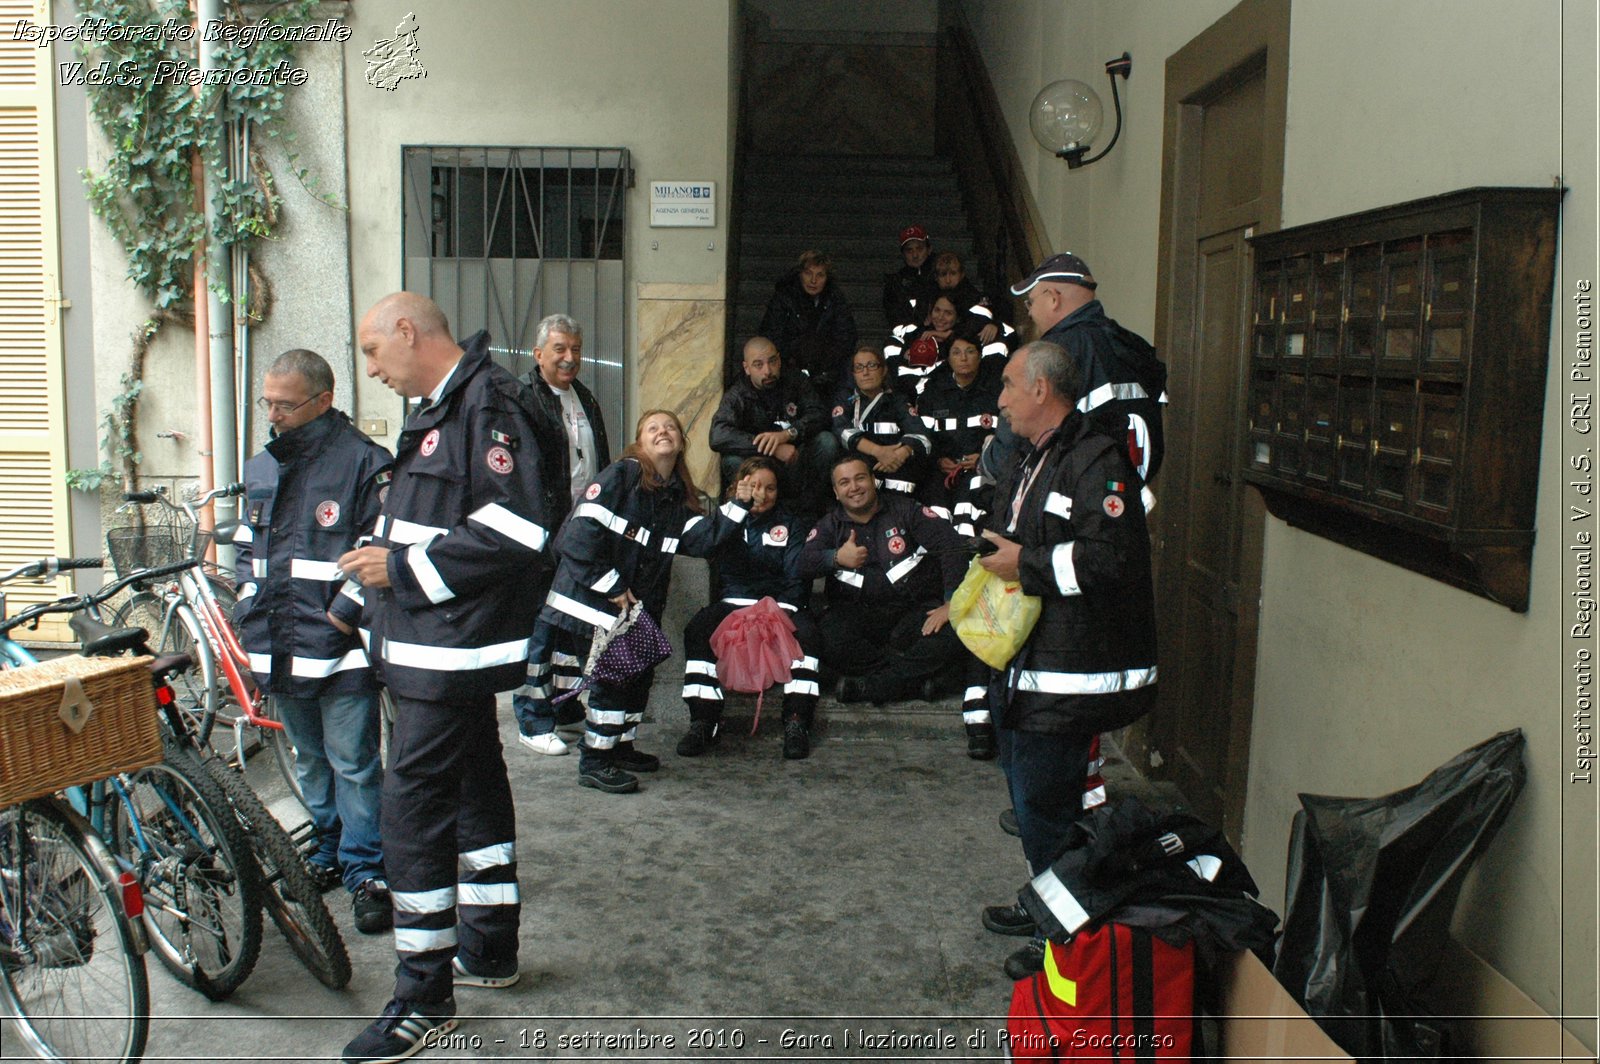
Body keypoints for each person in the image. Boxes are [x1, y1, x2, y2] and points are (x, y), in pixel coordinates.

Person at [337, 293, 550, 1064]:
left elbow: (518, 529)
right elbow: (417, 519)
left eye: (371, 350)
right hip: (431, 647)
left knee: (411, 811)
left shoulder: (488, 407)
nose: (370, 368)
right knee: (473, 788)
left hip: (447, 652)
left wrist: (397, 572)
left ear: (407, 331)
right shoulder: (442, 407)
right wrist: (359, 593)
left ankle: (422, 995)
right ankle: (489, 949)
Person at [974, 340, 1158, 981]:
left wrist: (1021, 563)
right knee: (1032, 806)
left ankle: (1067, 943)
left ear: (1041, 390)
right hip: (1028, 667)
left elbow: (1113, 561)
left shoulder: (1096, 460)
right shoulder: (1034, 457)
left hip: (1068, 676)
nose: (998, 399)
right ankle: (1046, 903)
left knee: (1049, 810)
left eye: (1006, 385)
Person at [234, 349, 393, 934]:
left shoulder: (366, 463)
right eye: (267, 402)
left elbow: (384, 542)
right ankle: (329, 845)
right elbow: (250, 547)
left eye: (285, 404)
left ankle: (368, 871)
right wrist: (246, 607)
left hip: (339, 646)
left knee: (353, 761)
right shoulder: (262, 466)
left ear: (323, 400)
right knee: (308, 758)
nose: (272, 414)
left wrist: (345, 613)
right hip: (276, 640)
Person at [541, 409, 748, 793]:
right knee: (615, 679)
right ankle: (595, 760)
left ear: (682, 442)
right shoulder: (623, 474)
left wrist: (740, 504)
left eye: (670, 426)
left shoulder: (674, 498)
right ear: (639, 441)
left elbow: (702, 540)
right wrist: (612, 584)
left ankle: (620, 747)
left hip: (628, 610)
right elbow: (576, 536)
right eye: (653, 427)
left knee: (638, 677)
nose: (663, 431)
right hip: (593, 600)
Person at [798, 454, 992, 760]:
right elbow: (801, 563)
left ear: (873, 480)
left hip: (913, 614)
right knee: (828, 638)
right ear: (836, 492)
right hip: (858, 616)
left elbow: (952, 547)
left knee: (956, 631)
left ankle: (876, 685)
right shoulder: (829, 524)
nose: (854, 487)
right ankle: (914, 682)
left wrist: (951, 602)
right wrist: (834, 558)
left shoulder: (907, 510)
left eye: (860, 478)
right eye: (844, 483)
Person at [513, 313, 613, 756]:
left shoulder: (584, 396)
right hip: (541, 536)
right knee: (541, 627)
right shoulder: (523, 398)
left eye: (575, 348)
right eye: (559, 349)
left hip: (580, 532)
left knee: (574, 623)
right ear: (538, 355)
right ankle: (532, 720)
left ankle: (564, 706)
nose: (570, 357)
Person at [677, 455, 822, 760]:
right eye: (754, 485)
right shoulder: (724, 518)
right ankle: (704, 720)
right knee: (698, 629)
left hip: (781, 603)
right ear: (738, 486)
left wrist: (777, 611)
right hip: (733, 602)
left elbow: (796, 573)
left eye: (770, 488)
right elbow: (702, 545)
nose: (762, 493)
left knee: (808, 633)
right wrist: (737, 510)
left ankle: (797, 721)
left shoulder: (792, 524)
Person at [1009, 252, 1167, 490]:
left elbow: (1018, 433)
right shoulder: (1133, 344)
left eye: (1030, 302)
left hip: (1072, 499)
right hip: (1131, 495)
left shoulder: (1051, 354)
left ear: (1053, 298)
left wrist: (989, 465)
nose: (1029, 312)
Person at [710, 336, 841, 514]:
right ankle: (751, 512)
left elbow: (819, 414)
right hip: (761, 466)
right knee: (731, 461)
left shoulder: (796, 380)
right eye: (758, 365)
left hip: (797, 461)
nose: (768, 371)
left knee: (827, 441)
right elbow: (718, 435)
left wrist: (789, 434)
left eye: (772, 362)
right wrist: (770, 448)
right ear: (746, 368)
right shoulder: (737, 393)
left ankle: (812, 511)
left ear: (779, 360)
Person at [916, 328, 1002, 537]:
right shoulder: (932, 393)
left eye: (970, 351)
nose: (963, 358)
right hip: (941, 470)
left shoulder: (997, 393)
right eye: (956, 352)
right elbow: (922, 436)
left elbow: (1008, 436)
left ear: (980, 356)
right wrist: (938, 460)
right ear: (948, 358)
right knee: (935, 511)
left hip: (982, 470)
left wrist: (983, 459)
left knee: (972, 508)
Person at [830, 343, 931, 496]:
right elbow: (840, 429)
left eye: (871, 365)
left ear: (883, 370)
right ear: (853, 374)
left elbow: (920, 432)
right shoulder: (845, 400)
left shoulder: (898, 400)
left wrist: (901, 453)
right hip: (859, 470)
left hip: (896, 468)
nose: (865, 372)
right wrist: (878, 451)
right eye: (859, 367)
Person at [757, 249, 859, 399]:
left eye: (820, 275)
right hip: (789, 369)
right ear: (800, 274)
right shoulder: (784, 298)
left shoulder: (835, 299)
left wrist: (824, 359)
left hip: (827, 372)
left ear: (827, 278)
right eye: (808, 273)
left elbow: (847, 337)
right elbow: (770, 335)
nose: (813, 280)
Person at [884, 293, 960, 394]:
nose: (941, 317)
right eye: (937, 310)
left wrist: (949, 337)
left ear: (958, 317)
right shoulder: (917, 334)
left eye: (948, 313)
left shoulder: (963, 339)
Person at [882, 224, 935, 328]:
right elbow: (894, 316)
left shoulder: (942, 276)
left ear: (929, 250)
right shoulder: (895, 283)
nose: (915, 255)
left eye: (919, 248)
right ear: (903, 254)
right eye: (909, 250)